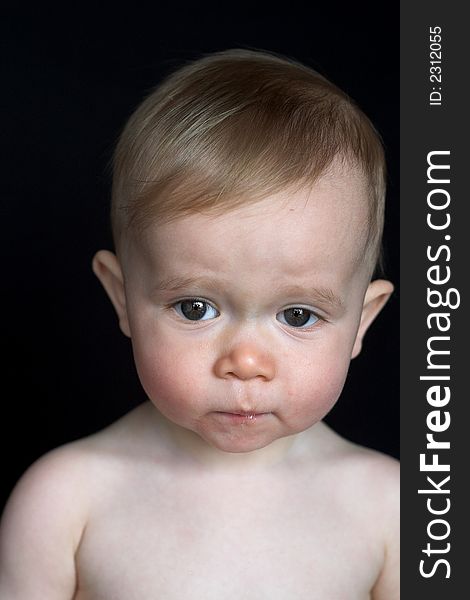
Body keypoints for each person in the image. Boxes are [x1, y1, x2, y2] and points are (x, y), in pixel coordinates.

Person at [0, 48, 399, 599]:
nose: (246, 363)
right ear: (123, 298)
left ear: (361, 321)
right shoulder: (67, 501)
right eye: (196, 308)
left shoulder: (391, 513)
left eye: (298, 314)